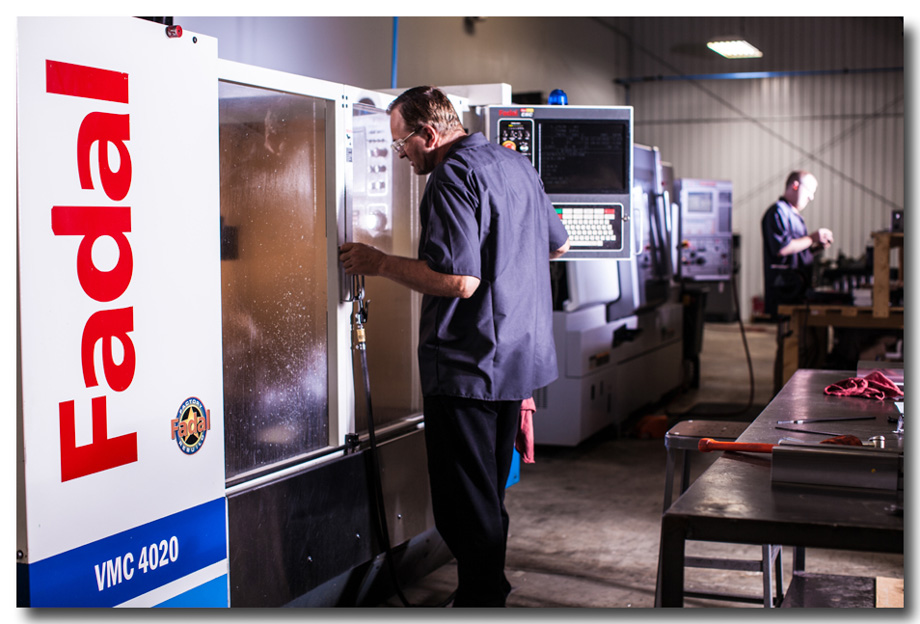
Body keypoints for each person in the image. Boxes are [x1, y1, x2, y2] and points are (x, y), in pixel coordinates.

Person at [339, 86, 570, 607]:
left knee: (463, 500)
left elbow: (460, 280)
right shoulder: (515, 166)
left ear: (428, 134)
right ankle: (485, 590)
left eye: (403, 147)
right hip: (514, 360)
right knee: (486, 490)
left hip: (469, 364)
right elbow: (560, 242)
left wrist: (378, 264)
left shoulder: (450, 176)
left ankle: (481, 602)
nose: (403, 158)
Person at [761, 170, 833, 319]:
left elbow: (797, 251)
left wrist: (816, 247)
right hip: (784, 289)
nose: (811, 197)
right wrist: (812, 238)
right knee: (790, 337)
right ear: (795, 186)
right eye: (809, 191)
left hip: (798, 289)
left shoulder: (795, 216)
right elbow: (782, 248)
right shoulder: (777, 213)